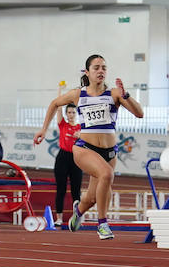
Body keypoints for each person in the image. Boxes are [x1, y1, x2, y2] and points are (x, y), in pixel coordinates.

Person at [33, 54, 144, 240]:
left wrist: (126, 96)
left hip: (109, 152)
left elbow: (139, 113)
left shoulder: (115, 93)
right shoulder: (78, 94)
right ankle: (102, 224)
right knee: (107, 175)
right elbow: (54, 103)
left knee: (92, 197)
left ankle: (79, 211)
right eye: (96, 68)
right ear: (87, 72)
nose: (101, 71)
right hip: (85, 148)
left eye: (104, 68)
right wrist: (44, 130)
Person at [52, 102, 83, 226]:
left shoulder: (81, 128)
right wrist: (60, 89)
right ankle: (59, 218)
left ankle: (78, 218)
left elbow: (90, 140)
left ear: (77, 114)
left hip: (77, 158)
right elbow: (58, 107)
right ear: (66, 114)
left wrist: (81, 136)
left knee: (76, 190)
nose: (71, 115)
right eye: (69, 112)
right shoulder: (63, 124)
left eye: (73, 112)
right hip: (62, 158)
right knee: (61, 189)